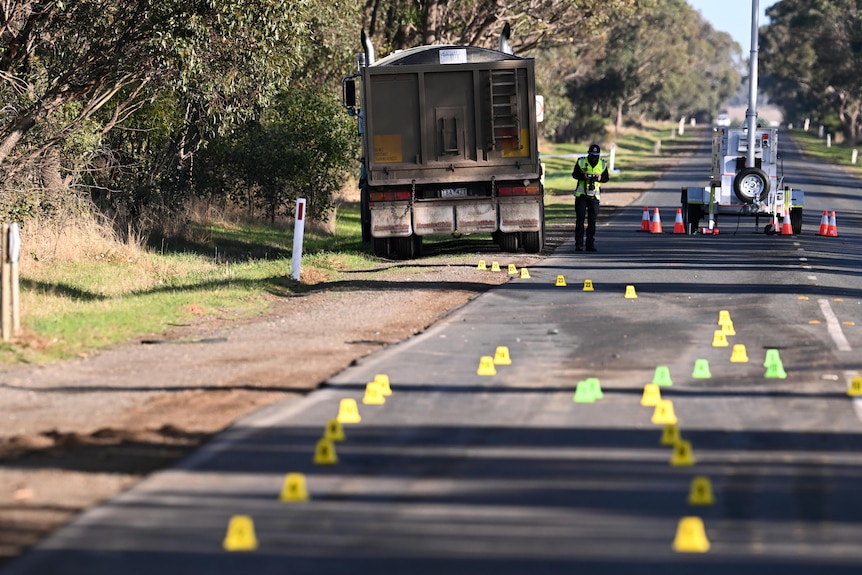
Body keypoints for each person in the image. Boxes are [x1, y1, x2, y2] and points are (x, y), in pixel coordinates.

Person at [571, 143, 610, 252]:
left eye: (595, 156)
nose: (593, 158)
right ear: (588, 154)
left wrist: (600, 178)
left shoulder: (602, 164)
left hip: (594, 197)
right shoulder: (581, 161)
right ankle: (578, 244)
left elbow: (606, 178)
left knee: (592, 221)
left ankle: (590, 244)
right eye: (592, 155)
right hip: (581, 196)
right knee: (580, 220)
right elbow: (574, 175)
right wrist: (583, 176)